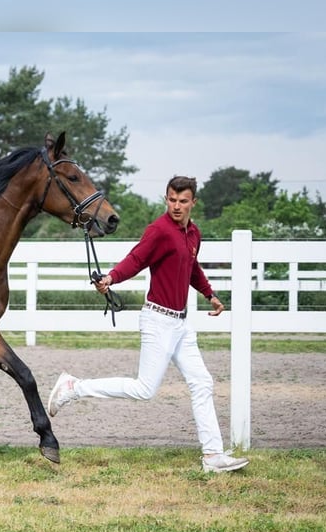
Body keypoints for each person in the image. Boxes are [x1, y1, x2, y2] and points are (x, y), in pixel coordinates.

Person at [47, 175, 249, 473]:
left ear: (193, 202)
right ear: (166, 199)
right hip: (158, 320)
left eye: (182, 201)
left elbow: (191, 268)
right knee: (144, 389)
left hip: (180, 324)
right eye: (171, 199)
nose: (176, 206)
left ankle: (213, 456)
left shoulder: (193, 234)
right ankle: (74, 387)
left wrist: (210, 295)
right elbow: (136, 259)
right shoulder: (159, 230)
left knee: (202, 383)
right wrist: (111, 278)